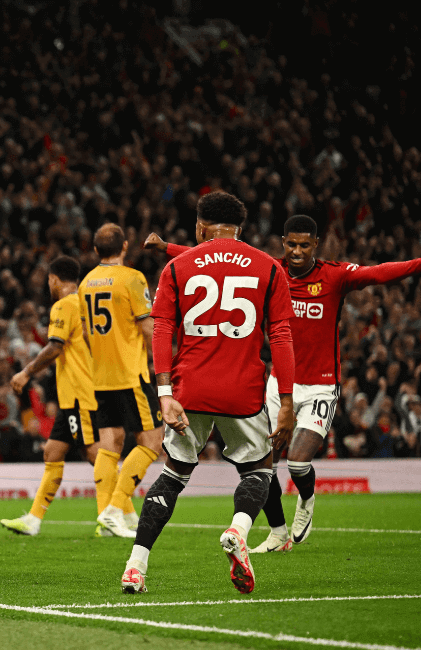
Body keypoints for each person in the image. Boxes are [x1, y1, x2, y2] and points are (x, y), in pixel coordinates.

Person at [145, 215, 421, 551]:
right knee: (263, 462)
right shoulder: (271, 269)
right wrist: (166, 248)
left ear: (316, 245)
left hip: (321, 386)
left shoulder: (334, 275)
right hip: (279, 385)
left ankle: (307, 501)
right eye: (291, 244)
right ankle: (278, 532)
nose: (297, 251)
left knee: (298, 462)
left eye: (304, 245)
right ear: (284, 242)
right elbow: (217, 255)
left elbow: (379, 272)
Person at [121, 191, 296, 595]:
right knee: (258, 469)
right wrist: (286, 402)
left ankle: (135, 566)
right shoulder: (269, 267)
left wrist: (165, 393)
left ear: (200, 227)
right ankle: (238, 530)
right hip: (243, 389)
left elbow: (162, 329)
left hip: (190, 388)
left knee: (173, 474)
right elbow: (282, 337)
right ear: (242, 228)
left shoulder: (177, 266)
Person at [0, 256, 109, 536]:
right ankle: (34, 520)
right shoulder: (86, 303)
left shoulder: (64, 305)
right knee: (53, 452)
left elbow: (54, 347)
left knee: (95, 454)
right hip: (75, 392)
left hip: (78, 393)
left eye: (49, 280)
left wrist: (25, 373)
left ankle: (114, 514)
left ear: (55, 279)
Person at [78, 224, 165, 539]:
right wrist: (167, 360)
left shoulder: (86, 283)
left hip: (101, 376)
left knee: (110, 443)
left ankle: (105, 515)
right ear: (125, 246)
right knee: (153, 442)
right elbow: (146, 327)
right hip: (130, 374)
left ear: (95, 249)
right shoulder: (132, 278)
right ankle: (115, 510)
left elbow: (88, 332)